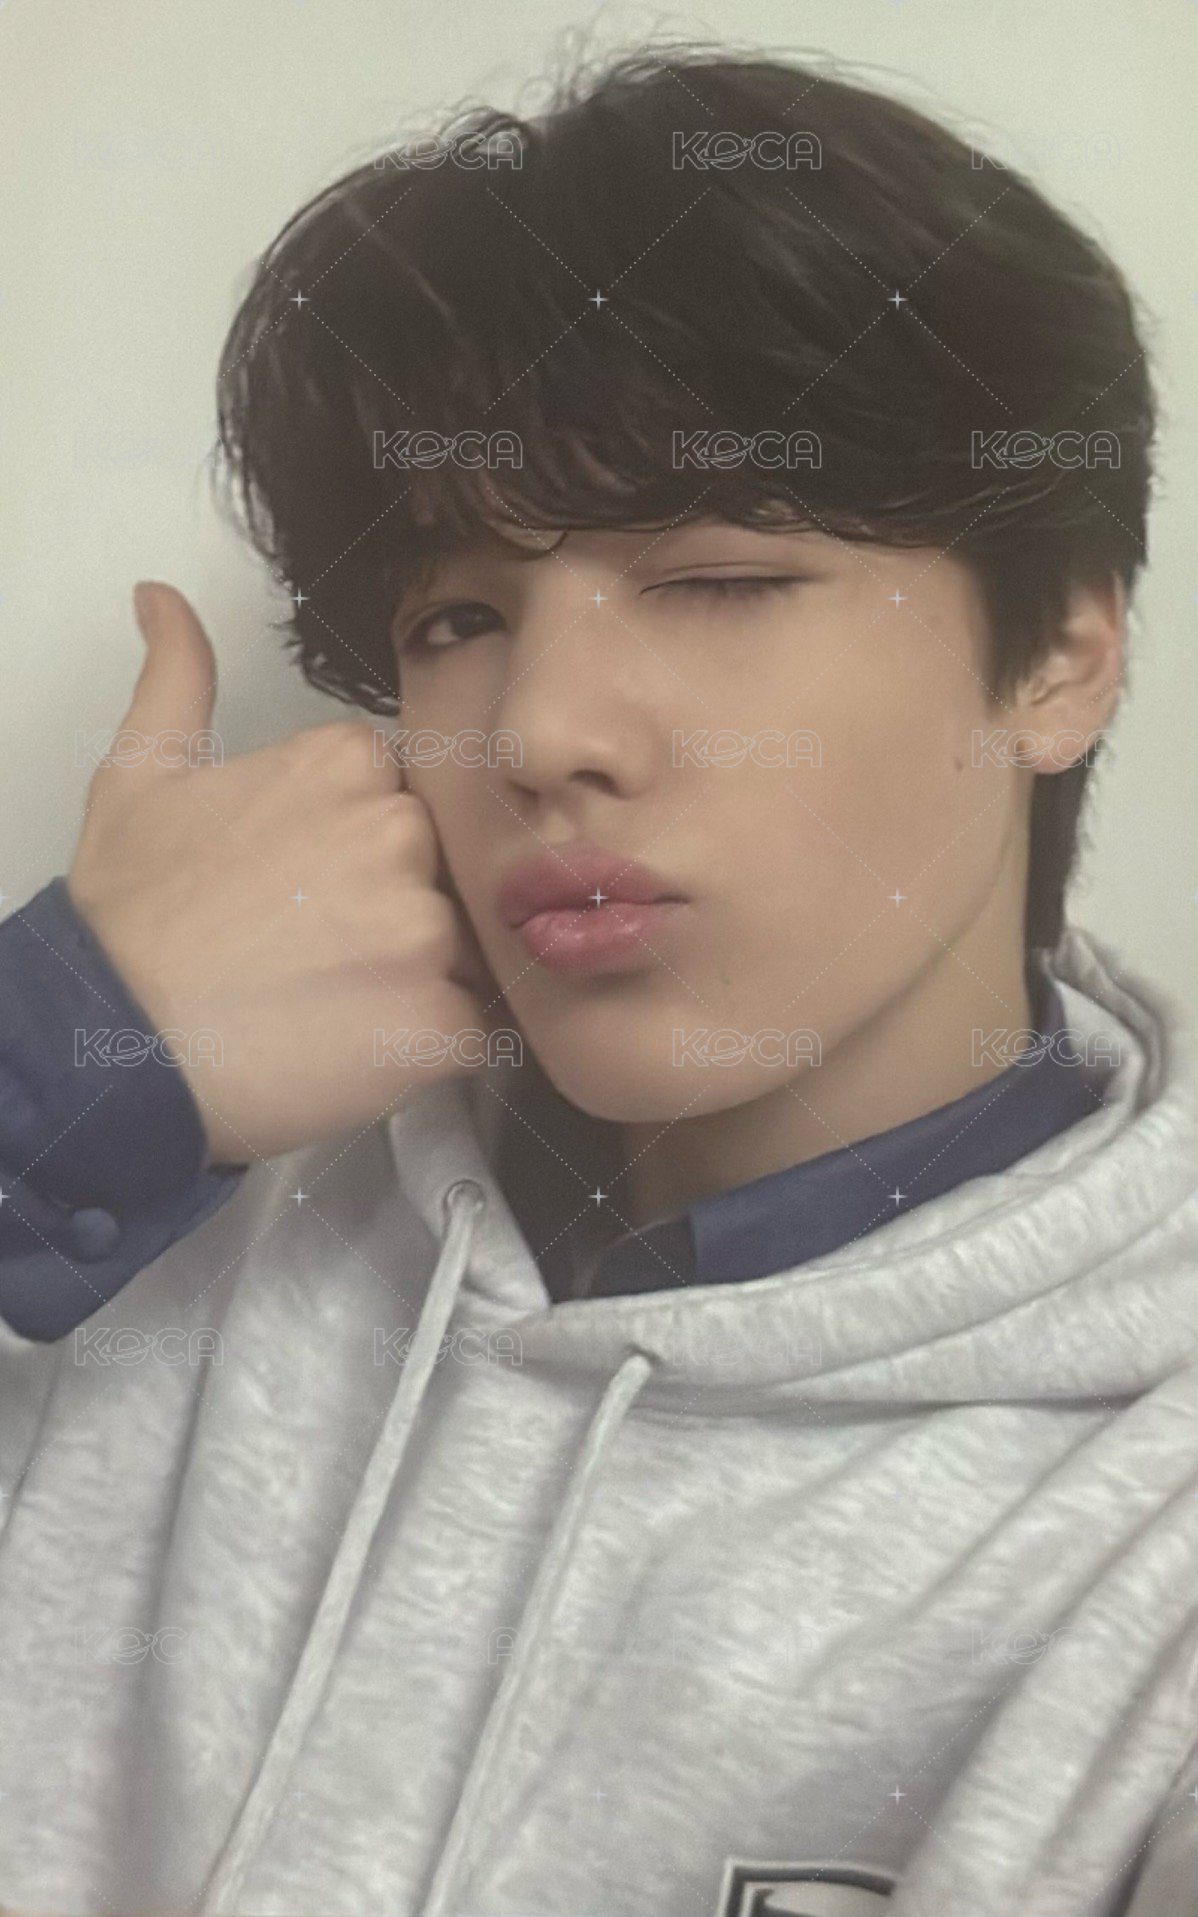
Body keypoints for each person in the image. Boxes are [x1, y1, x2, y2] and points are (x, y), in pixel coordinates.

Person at [1, 44, 1195, 1917]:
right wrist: (60, 1063)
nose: (540, 729)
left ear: (1056, 654)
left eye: (714, 579)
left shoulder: (1148, 1528)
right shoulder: (133, 1212)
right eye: (460, 616)